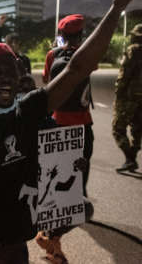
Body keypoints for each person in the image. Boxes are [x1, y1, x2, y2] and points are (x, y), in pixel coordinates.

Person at [0, 0, 136, 264]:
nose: (5, 78)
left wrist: (118, 5)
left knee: (82, 208)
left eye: (10, 72)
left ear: (20, 77)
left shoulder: (29, 111)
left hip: (16, 231)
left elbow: (78, 67)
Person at [44, 14, 94, 198]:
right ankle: (80, 197)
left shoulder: (52, 55)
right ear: (81, 33)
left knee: (57, 163)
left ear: (62, 35)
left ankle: (57, 201)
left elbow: (46, 80)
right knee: (82, 161)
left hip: (58, 119)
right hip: (82, 120)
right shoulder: (87, 54)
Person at [113, 23, 142, 172]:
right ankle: (132, 156)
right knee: (137, 128)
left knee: (118, 128)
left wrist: (119, 92)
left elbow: (124, 74)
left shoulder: (133, 50)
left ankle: (130, 158)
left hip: (130, 96)